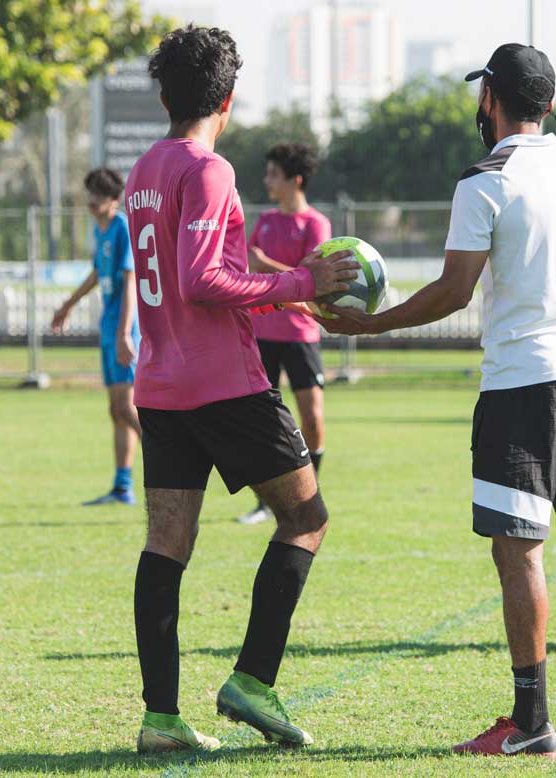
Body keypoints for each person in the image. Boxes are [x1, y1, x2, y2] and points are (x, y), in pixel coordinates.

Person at [320, 43, 556, 756]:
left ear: (491, 100)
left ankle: (531, 721)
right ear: (551, 104)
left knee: (520, 553)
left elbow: (453, 290)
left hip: (519, 388)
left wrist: (370, 322)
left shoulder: (485, 180)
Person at [123, 25, 358, 754]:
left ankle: (161, 717)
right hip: (224, 384)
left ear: (164, 94)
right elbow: (204, 281)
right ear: (228, 98)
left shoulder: (140, 171)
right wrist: (302, 284)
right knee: (306, 519)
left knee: (167, 543)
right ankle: (253, 681)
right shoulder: (208, 169)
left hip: (159, 385)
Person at [236, 143, 332, 525]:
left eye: (273, 174)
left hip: (301, 332)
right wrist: (260, 267)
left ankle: (310, 494)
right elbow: (250, 272)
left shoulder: (316, 224)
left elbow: (312, 280)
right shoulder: (266, 222)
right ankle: (266, 501)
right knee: (263, 421)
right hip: (262, 331)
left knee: (311, 415)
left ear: (295, 180)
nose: (267, 181)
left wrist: (265, 264)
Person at [51, 168, 142, 506]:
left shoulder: (122, 229)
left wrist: (123, 333)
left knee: (126, 406)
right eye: (90, 193)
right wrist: (68, 305)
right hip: (109, 326)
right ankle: (122, 486)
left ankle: (170, 461)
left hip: (124, 328)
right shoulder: (100, 230)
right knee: (115, 410)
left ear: (114, 200)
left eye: (99, 195)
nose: (92, 200)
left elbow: (131, 280)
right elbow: (96, 272)